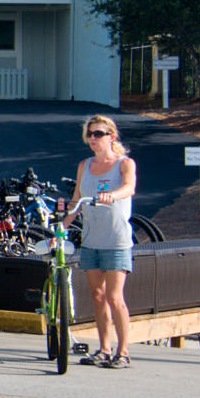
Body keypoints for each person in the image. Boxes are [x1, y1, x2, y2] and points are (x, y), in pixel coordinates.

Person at [74, 114, 137, 366]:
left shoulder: (124, 163)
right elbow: (76, 198)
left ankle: (123, 352)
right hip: (92, 240)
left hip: (116, 240)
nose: (93, 139)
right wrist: (63, 226)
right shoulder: (84, 165)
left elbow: (129, 187)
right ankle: (103, 348)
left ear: (111, 136)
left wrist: (113, 195)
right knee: (97, 295)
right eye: (90, 134)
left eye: (98, 134)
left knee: (114, 296)